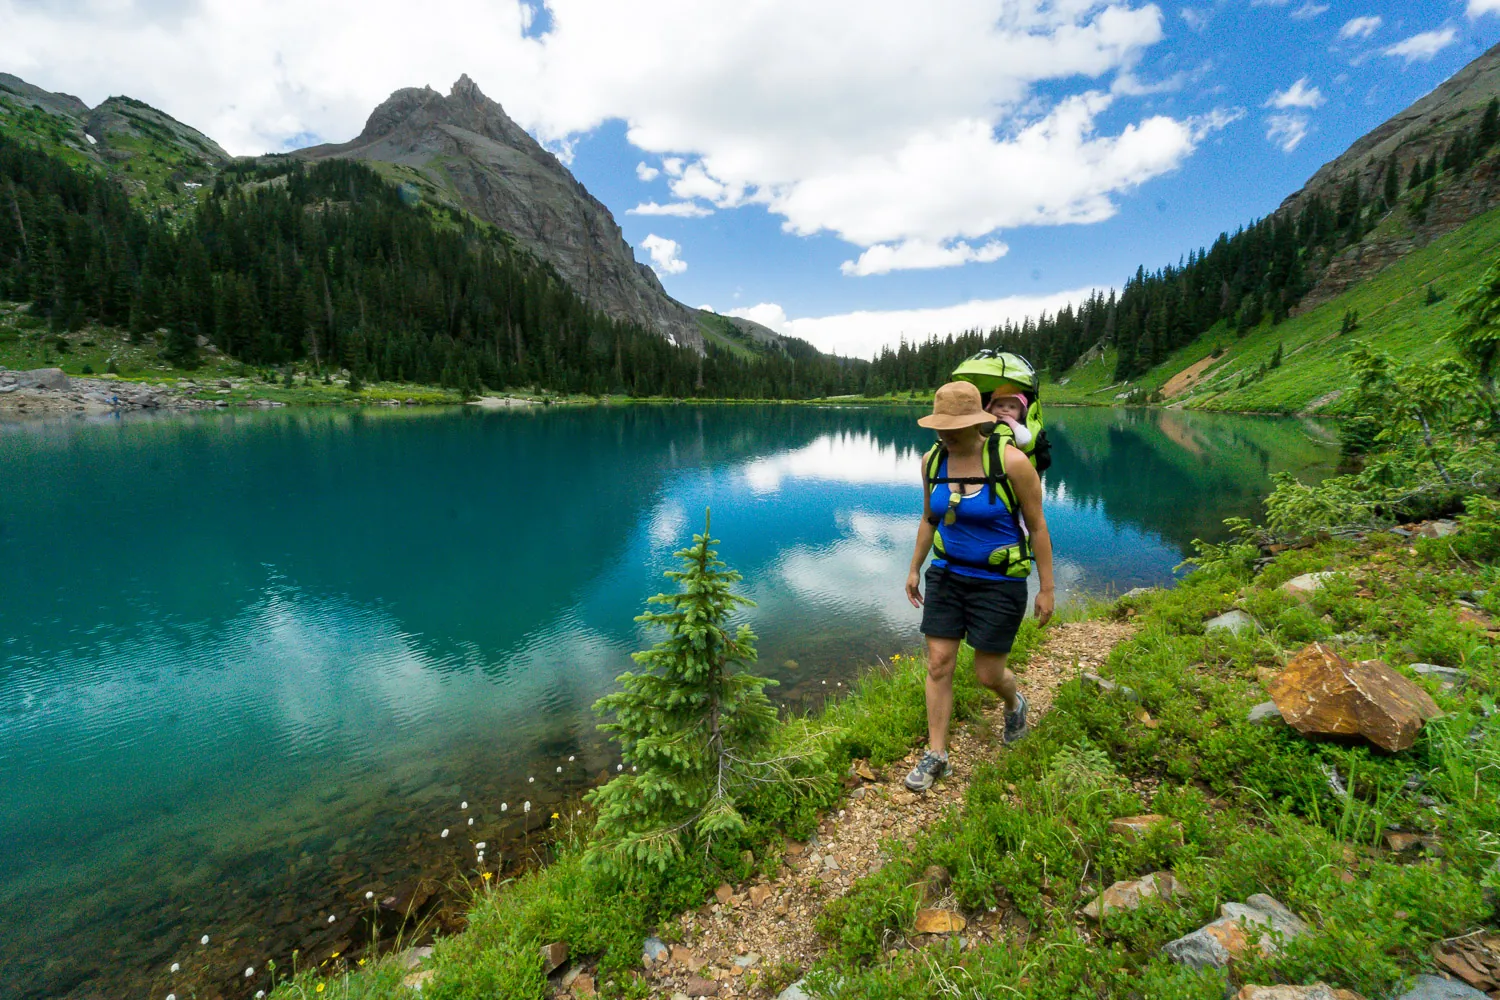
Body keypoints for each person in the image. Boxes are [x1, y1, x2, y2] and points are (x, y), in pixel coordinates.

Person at [902, 381, 1055, 792]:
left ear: (976, 423)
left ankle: (1014, 702)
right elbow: (928, 519)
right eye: (939, 427)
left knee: (988, 674)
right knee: (938, 663)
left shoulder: (1012, 463)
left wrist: (1047, 588)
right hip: (948, 575)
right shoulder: (931, 461)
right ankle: (937, 753)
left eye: (953, 427)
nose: (944, 435)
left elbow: (1038, 527)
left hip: (999, 582)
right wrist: (915, 567)